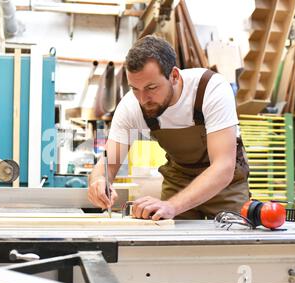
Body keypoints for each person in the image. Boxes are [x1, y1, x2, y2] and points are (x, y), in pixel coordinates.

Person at [87, 35, 250, 220]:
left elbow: (223, 167)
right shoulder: (130, 106)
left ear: (174, 76)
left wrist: (172, 205)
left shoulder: (211, 89)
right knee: (168, 243)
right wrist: (99, 180)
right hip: (178, 179)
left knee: (234, 242)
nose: (142, 99)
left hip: (225, 187)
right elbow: (108, 163)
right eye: (135, 89)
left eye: (151, 87)